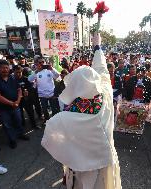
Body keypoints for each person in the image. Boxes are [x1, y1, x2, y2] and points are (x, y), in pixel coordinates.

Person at [41, 33, 122, 189]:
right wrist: (97, 47)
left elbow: (49, 136)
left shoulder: (65, 116)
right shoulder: (105, 93)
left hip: (79, 165)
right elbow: (102, 69)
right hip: (105, 160)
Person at [0, 60, 29, 149]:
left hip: (15, 106)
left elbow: (19, 90)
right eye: (2, 68)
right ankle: (12, 139)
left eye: (7, 68)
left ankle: (20, 134)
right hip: (3, 109)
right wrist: (11, 103)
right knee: (7, 125)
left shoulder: (12, 77)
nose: (5, 70)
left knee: (18, 121)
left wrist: (18, 101)